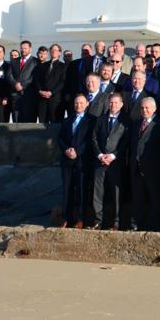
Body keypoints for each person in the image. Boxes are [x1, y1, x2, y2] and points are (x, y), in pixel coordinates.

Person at [129, 97, 160, 232]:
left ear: (154, 109)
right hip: (136, 167)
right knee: (137, 197)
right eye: (142, 108)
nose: (144, 110)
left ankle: (154, 225)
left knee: (155, 198)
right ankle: (136, 223)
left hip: (153, 168)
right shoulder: (136, 124)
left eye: (147, 108)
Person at [91, 93, 129, 230]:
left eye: (116, 103)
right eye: (111, 103)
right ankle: (98, 221)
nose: (113, 105)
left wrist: (113, 156)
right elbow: (94, 138)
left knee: (116, 193)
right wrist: (100, 155)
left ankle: (116, 222)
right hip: (100, 162)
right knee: (98, 192)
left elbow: (125, 142)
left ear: (121, 104)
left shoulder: (126, 120)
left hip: (116, 163)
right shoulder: (100, 119)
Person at [58, 95, 94, 228]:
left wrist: (77, 152)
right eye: (76, 103)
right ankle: (66, 218)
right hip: (67, 161)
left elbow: (90, 140)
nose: (78, 105)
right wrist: (66, 150)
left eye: (81, 103)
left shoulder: (91, 121)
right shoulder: (67, 120)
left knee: (81, 191)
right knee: (67, 191)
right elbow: (60, 138)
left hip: (82, 161)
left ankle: (80, 219)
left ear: (87, 104)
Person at [33, 45, 66, 124]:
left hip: (55, 100)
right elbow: (37, 80)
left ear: (59, 53)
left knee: (56, 123)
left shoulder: (63, 66)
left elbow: (62, 82)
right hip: (42, 99)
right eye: (52, 50)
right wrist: (40, 91)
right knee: (42, 123)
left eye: (56, 50)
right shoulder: (43, 65)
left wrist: (51, 92)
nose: (54, 51)